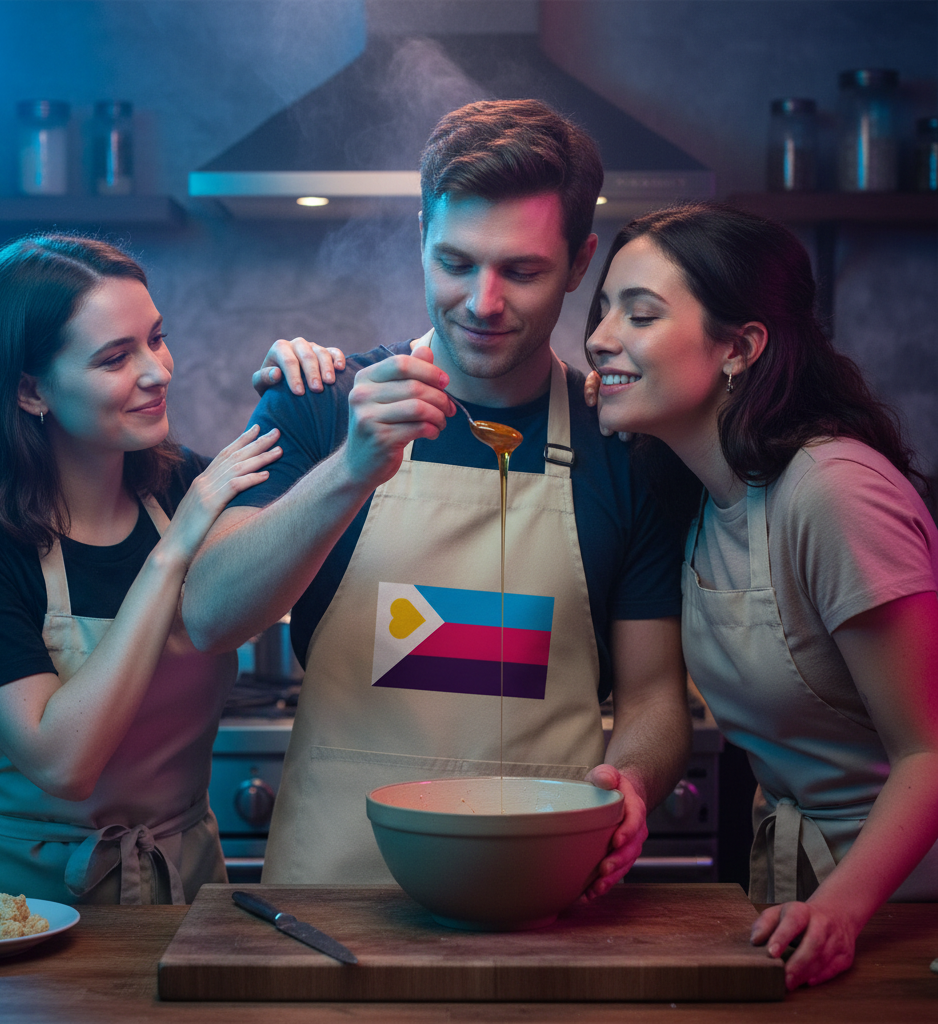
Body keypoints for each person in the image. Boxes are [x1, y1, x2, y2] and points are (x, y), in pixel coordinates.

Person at [183, 99, 692, 888]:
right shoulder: (321, 403)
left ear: (580, 260)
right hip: (334, 898)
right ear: (422, 233)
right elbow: (211, 616)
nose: (483, 303)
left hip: (538, 892)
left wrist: (632, 777)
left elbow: (655, 697)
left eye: (521, 271)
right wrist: (350, 467)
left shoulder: (624, 446)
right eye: (456, 263)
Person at [0, 234, 341, 905]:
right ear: (31, 391)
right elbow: (64, 761)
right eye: (116, 357)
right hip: (16, 904)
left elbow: (309, 502)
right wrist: (173, 553)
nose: (158, 371)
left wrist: (307, 394)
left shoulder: (189, 489)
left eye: (157, 338)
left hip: (185, 884)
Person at [583, 202, 938, 989]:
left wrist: (844, 909)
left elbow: (931, 751)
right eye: (602, 310)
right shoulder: (703, 496)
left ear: (740, 347)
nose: (599, 337)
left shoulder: (834, 492)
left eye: (638, 314)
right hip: (808, 908)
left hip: (907, 912)